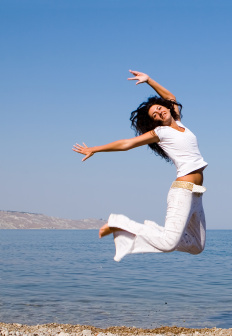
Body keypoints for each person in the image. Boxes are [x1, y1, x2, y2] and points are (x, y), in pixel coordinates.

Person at [73, 70, 208, 262]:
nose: (159, 113)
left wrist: (149, 80)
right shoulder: (160, 132)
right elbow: (127, 143)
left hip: (197, 193)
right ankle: (120, 224)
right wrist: (95, 149)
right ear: (155, 121)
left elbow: (171, 97)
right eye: (155, 115)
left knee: (197, 246)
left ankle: (152, 233)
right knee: (168, 243)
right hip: (182, 191)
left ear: (167, 108)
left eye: (160, 109)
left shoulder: (179, 122)